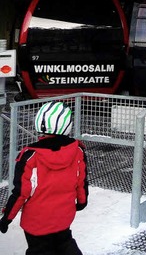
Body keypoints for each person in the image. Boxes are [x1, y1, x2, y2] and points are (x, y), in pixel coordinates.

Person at [0, 101, 89, 255]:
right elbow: (81, 181)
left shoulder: (30, 156)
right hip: (63, 217)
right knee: (65, 243)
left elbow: (21, 193)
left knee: (39, 250)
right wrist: (82, 201)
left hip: (36, 223)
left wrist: (7, 218)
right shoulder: (77, 150)